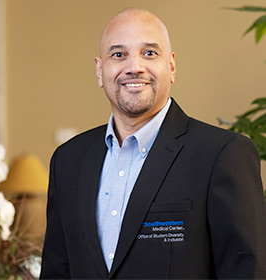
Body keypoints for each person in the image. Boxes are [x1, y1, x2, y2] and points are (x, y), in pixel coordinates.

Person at [40, 7, 266, 279]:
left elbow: (247, 272)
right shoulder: (67, 161)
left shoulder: (224, 154)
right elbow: (56, 271)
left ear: (171, 66)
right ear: (100, 71)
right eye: (118, 54)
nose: (134, 67)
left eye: (149, 53)